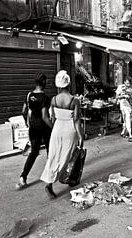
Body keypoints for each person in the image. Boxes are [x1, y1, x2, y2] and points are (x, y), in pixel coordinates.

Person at [40, 70, 84, 199]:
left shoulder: (54, 99)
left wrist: (56, 128)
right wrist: (81, 136)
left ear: (58, 86)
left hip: (57, 129)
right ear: (69, 84)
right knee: (67, 157)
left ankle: (49, 183)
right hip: (69, 130)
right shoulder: (74, 100)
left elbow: (52, 118)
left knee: (53, 157)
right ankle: (69, 178)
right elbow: (76, 121)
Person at [16, 73, 53, 189]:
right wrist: (53, 127)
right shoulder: (45, 98)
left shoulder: (29, 95)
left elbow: (23, 111)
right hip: (44, 128)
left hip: (33, 127)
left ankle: (23, 177)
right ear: (43, 83)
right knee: (50, 151)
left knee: (34, 152)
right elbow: (45, 117)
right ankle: (50, 176)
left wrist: (28, 123)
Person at [116, 76, 132, 142]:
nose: (128, 85)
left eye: (129, 83)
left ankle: (130, 134)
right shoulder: (120, 87)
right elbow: (117, 96)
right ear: (124, 82)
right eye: (127, 83)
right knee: (125, 119)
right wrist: (124, 96)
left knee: (128, 119)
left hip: (130, 106)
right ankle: (123, 131)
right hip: (123, 105)